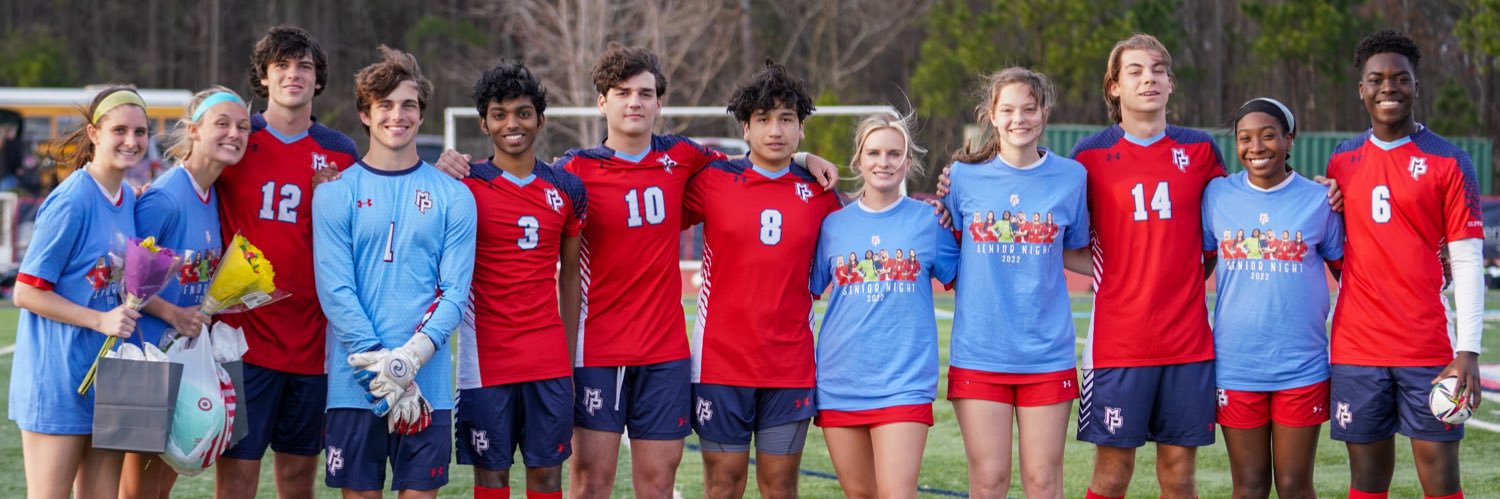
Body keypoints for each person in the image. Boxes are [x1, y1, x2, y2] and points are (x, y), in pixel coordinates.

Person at [1067, 34, 1228, 499]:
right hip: (1119, 344)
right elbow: (1062, 237)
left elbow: (1218, 236)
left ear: (1172, 83)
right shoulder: (1089, 154)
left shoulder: (1199, 152)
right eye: (1135, 71)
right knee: (1112, 476)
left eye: (1158, 70)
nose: (1148, 78)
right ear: (1114, 87)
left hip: (1188, 343)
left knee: (1179, 478)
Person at [1326, 30, 1484, 499]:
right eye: (1376, 79)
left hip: (1428, 349)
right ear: (1362, 90)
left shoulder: (1451, 162)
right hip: (1357, 348)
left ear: (1418, 87)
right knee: (1367, 483)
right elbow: (1337, 246)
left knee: (1441, 482)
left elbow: (1468, 260)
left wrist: (1469, 351)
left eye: (1401, 78)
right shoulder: (1341, 159)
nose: (1388, 87)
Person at [312, 45, 476, 497]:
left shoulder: (454, 196)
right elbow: (335, 289)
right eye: (384, 105)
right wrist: (384, 369)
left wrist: (409, 362)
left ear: (422, 115)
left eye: (408, 105)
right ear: (365, 115)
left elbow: (455, 293)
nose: (397, 115)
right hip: (356, 384)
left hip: (428, 387)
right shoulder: (334, 192)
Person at [679, 60, 842, 499]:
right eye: (764, 120)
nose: (776, 130)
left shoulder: (821, 195)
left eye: (786, 119)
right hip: (719, 364)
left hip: (789, 366)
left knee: (780, 486)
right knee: (724, 485)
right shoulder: (713, 180)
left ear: (801, 129)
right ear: (745, 129)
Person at [214, 25, 358, 499]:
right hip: (241, 340)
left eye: (304, 66)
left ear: (318, 81)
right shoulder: (235, 139)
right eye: (282, 66)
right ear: (263, 76)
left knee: (298, 478)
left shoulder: (340, 152)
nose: (293, 75)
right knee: (237, 475)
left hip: (312, 340)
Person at [941, 67, 1090, 499]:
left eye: (1028, 108)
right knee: (989, 482)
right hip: (980, 352)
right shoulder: (962, 177)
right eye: (1007, 109)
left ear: (1044, 113)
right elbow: (949, 243)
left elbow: (1075, 249)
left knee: (1043, 483)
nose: (1018, 118)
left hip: (1046, 353)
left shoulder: (1071, 177)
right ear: (991, 114)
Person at [454, 60, 586, 499]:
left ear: (541, 119)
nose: (513, 124)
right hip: (485, 361)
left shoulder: (566, 188)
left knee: (547, 478)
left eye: (523, 112)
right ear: (484, 124)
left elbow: (570, 279)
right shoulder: (464, 184)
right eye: (500, 114)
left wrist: (567, 362)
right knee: (491, 479)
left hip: (547, 358)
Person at [1202, 98, 1344, 499]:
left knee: (1295, 486)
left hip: (1301, 365)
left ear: (1289, 139)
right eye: (1245, 138)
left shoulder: (1320, 200)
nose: (1256, 147)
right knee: (1248, 487)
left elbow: (1348, 272)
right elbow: (1198, 264)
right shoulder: (1217, 195)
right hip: (1236, 364)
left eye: (1268, 136)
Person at [812, 113, 959, 499]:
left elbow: (967, 283)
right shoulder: (832, 226)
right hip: (840, 381)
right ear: (857, 161)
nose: (884, 162)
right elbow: (804, 294)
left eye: (894, 154)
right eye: (873, 152)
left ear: (907, 163)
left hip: (903, 383)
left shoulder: (930, 220)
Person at [10, 86, 147, 499]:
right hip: (57, 380)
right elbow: (26, 292)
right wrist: (100, 319)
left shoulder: (126, 198)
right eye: (119, 130)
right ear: (94, 133)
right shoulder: (71, 200)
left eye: (140, 132)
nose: (131, 141)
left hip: (107, 380)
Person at [122, 86, 250, 499]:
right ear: (194, 130)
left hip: (186, 359)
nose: (234, 133)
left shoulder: (213, 193)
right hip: (149, 359)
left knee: (161, 489)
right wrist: (173, 313)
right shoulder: (164, 197)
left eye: (243, 127)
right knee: (137, 492)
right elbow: (126, 280)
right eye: (222, 124)